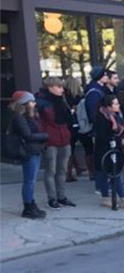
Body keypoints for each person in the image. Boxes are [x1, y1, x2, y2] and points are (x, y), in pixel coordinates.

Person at [93, 94, 124, 209]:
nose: (118, 105)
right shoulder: (102, 117)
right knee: (112, 174)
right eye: (115, 103)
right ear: (109, 106)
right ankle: (120, 198)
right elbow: (103, 135)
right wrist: (115, 136)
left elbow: (121, 127)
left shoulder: (115, 116)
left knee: (113, 173)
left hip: (115, 148)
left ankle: (115, 198)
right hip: (105, 149)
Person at [35, 77, 75, 209]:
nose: (61, 89)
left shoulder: (61, 100)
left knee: (62, 169)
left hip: (63, 137)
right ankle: (52, 198)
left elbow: (67, 119)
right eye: (58, 87)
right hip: (51, 139)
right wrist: (44, 137)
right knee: (51, 170)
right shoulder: (41, 102)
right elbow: (39, 122)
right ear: (50, 87)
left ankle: (61, 196)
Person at [8, 91, 48, 219]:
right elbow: (28, 135)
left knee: (31, 180)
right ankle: (28, 207)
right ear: (24, 103)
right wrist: (45, 136)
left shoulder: (28, 116)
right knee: (29, 181)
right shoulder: (19, 117)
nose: (34, 103)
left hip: (33, 150)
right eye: (31, 101)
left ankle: (31, 204)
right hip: (28, 151)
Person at [64, 76, 90, 182]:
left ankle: (68, 172)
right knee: (88, 147)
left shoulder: (63, 97)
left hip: (69, 125)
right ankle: (91, 172)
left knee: (70, 148)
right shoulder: (80, 97)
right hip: (81, 123)